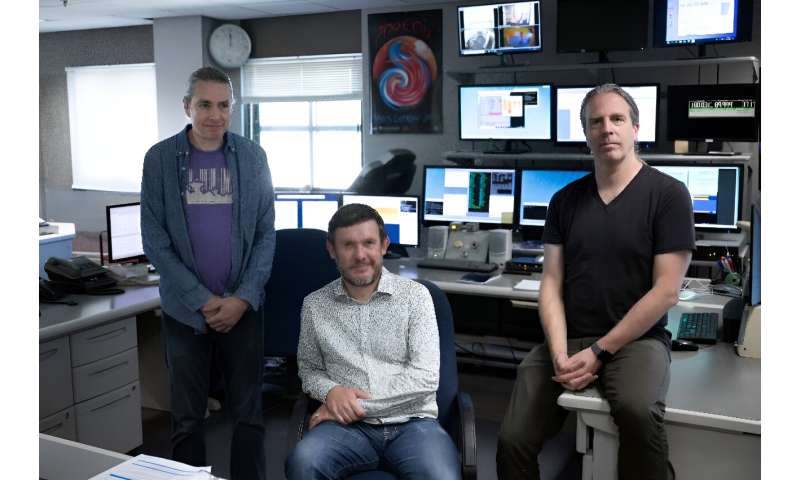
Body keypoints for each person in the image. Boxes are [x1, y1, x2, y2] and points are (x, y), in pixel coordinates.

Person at [496, 83, 695, 480]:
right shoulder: (565, 201)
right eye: (596, 122)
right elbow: (550, 283)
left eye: (617, 119)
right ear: (586, 134)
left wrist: (600, 351)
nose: (607, 129)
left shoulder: (669, 195)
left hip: (635, 343)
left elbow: (666, 291)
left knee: (638, 414)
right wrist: (557, 353)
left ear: (635, 128)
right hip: (570, 338)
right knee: (512, 440)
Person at [140, 66, 275, 480]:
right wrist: (202, 299)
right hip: (185, 314)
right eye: (204, 104)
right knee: (186, 420)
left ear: (231, 108)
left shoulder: (252, 157)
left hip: (243, 310)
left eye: (223, 105)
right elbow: (155, 240)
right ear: (187, 107)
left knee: (248, 416)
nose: (214, 115)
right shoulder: (160, 160)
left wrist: (241, 299)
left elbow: (266, 234)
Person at [285, 204, 460, 480]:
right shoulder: (315, 305)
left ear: (384, 245)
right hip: (345, 430)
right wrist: (331, 392)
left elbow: (424, 379)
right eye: (348, 245)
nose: (360, 255)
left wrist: (349, 407)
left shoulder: (416, 297)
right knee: (303, 463)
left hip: (413, 425)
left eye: (368, 243)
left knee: (441, 476)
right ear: (331, 249)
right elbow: (309, 370)